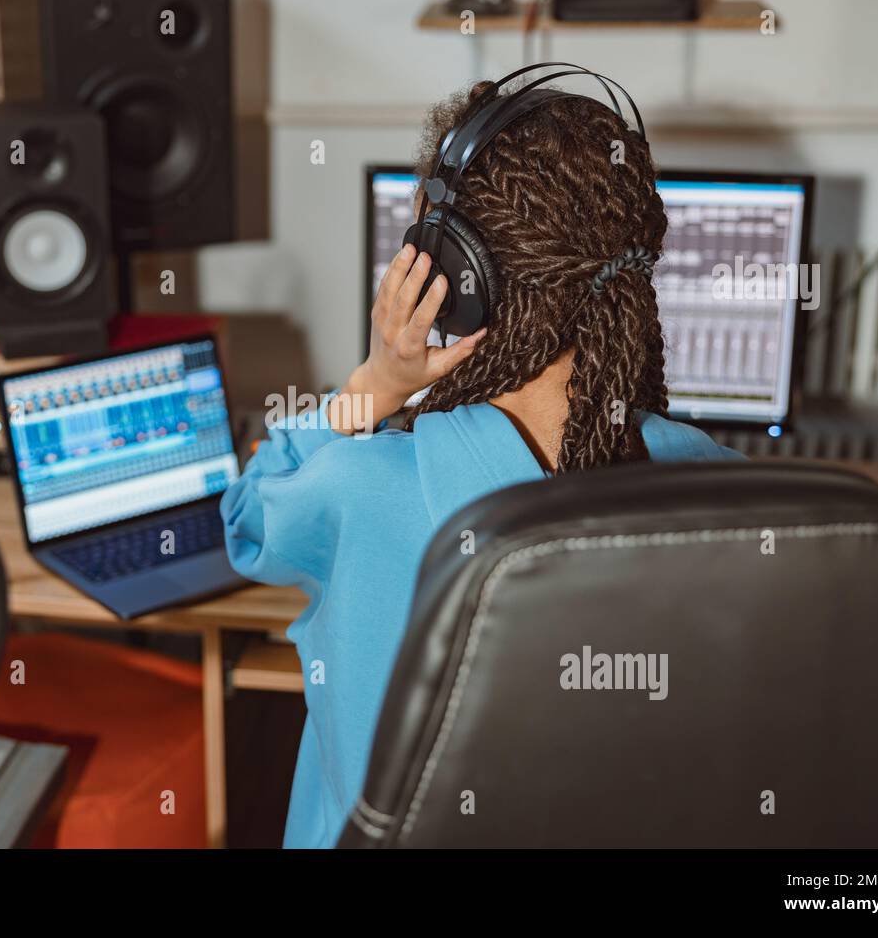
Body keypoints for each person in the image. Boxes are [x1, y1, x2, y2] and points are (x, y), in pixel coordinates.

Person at [221, 80, 742, 848]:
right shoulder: (726, 489)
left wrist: (373, 386)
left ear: (457, 281)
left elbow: (243, 519)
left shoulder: (355, 491)